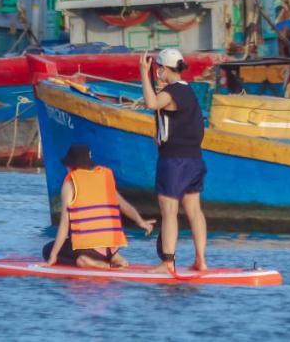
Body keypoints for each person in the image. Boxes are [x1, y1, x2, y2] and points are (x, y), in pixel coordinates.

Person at [139, 47, 207, 274]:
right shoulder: (187, 91)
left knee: (169, 211)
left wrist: (142, 73)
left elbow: (151, 103)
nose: (157, 72)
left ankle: (168, 262)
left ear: (166, 69)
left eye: (159, 68)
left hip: (175, 161)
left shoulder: (172, 92)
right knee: (194, 211)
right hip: (194, 160)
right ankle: (201, 260)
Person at [43, 143, 154, 269]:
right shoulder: (104, 177)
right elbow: (124, 206)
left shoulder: (70, 183)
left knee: (47, 250)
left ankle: (88, 261)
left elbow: (64, 224)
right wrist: (141, 222)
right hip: (111, 247)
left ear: (71, 165)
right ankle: (115, 257)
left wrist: (53, 255)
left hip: (90, 249)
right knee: (88, 244)